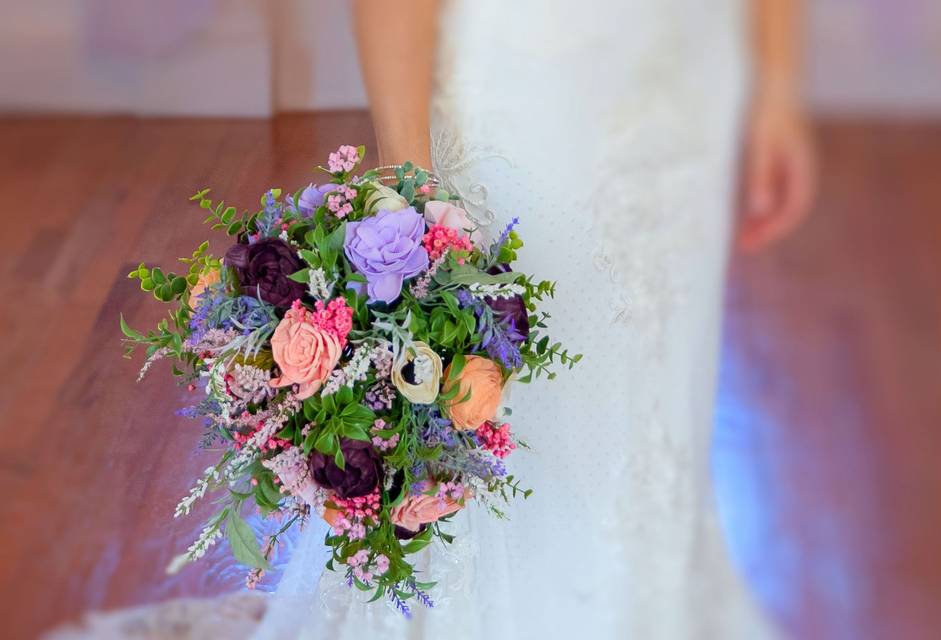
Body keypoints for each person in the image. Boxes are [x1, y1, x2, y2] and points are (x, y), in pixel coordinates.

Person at [253, 0, 814, 637]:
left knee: (659, 404)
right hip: (530, 94)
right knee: (512, 411)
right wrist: (407, 195)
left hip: (686, 95)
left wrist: (775, 84)